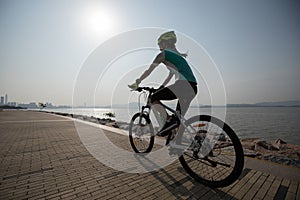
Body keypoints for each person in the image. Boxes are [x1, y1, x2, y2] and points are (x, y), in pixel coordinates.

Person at [129, 31, 197, 137]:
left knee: (153, 98)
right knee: (178, 119)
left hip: (183, 86)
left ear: (164, 43)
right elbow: (169, 77)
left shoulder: (163, 55)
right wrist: (161, 88)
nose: (159, 47)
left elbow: (149, 70)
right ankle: (179, 144)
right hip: (192, 88)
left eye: (160, 44)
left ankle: (168, 120)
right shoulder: (178, 57)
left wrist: (137, 82)